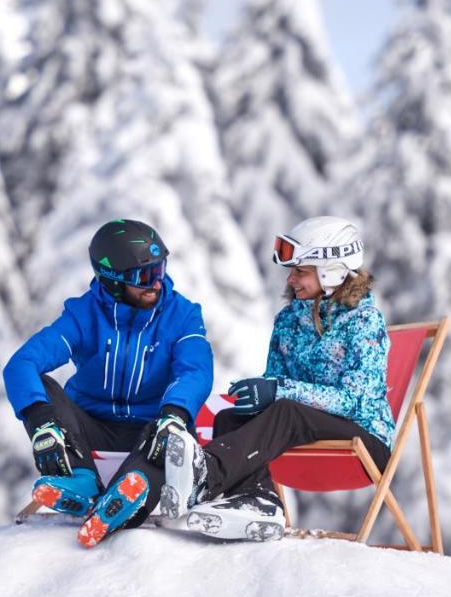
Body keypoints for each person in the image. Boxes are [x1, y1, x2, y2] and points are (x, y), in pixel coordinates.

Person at [160, 216, 394, 541]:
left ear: (331, 270)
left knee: (286, 409)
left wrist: (278, 391)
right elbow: (276, 387)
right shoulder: (289, 320)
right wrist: (262, 393)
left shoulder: (364, 322)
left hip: (366, 441)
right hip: (307, 430)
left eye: (301, 270)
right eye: (292, 270)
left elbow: (353, 400)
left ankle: (205, 474)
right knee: (233, 416)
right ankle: (258, 500)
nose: (292, 279)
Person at [3, 218, 213, 548]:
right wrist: (41, 421)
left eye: (160, 271)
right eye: (145, 277)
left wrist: (173, 413)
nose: (156, 284)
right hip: (89, 426)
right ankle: (80, 480)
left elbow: (195, 370)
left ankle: (133, 490)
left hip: (152, 427)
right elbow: (22, 364)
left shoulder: (182, 314)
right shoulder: (84, 314)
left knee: (171, 438)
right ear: (113, 281)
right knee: (41, 384)